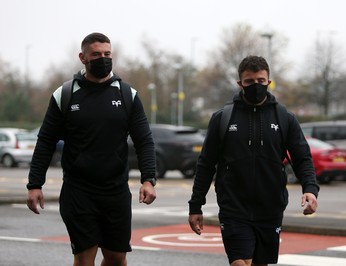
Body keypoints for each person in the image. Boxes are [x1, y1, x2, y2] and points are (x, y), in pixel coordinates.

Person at [26, 32, 157, 266]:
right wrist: (35, 184)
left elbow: (144, 141)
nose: (103, 59)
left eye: (107, 54)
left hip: (115, 190)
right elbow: (45, 141)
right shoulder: (64, 95)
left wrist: (148, 179)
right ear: (82, 57)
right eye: (96, 54)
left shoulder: (128, 95)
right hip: (79, 191)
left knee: (116, 258)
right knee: (85, 257)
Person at [188, 55, 319, 266]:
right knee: (240, 263)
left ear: (269, 81)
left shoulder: (284, 117)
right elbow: (206, 164)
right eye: (249, 82)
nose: (256, 86)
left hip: (271, 208)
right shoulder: (223, 118)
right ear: (240, 84)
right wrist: (196, 206)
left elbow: (302, 158)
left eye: (260, 81)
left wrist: (310, 189)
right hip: (233, 207)